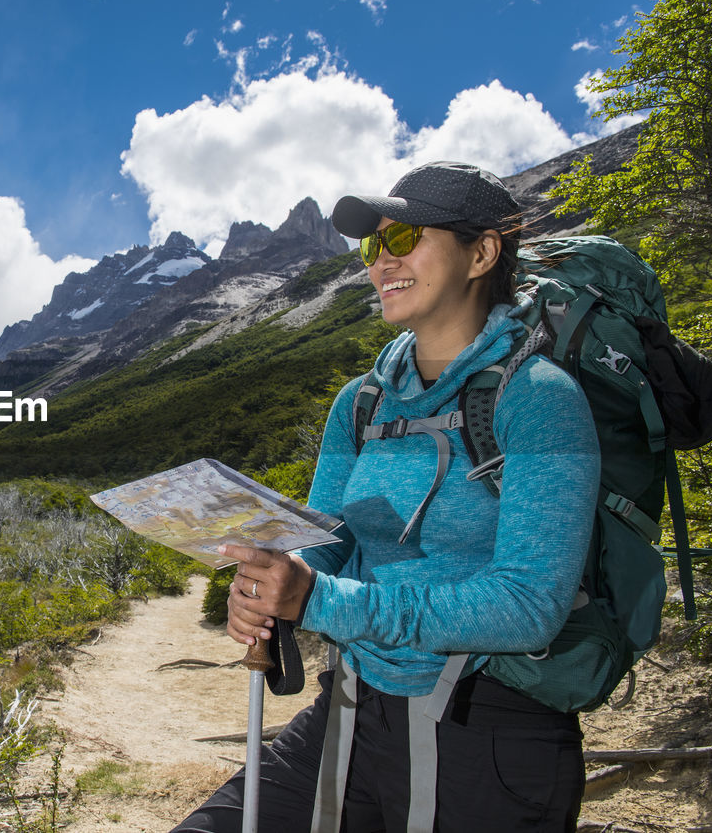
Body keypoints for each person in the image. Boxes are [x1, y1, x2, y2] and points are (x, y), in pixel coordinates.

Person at [172, 161, 600, 832]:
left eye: (405, 238)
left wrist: (320, 598)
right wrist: (275, 582)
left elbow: (530, 605)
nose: (381, 261)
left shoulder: (542, 400)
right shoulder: (361, 403)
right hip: (351, 707)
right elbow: (328, 546)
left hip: (487, 737)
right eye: (374, 245)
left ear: (482, 252)